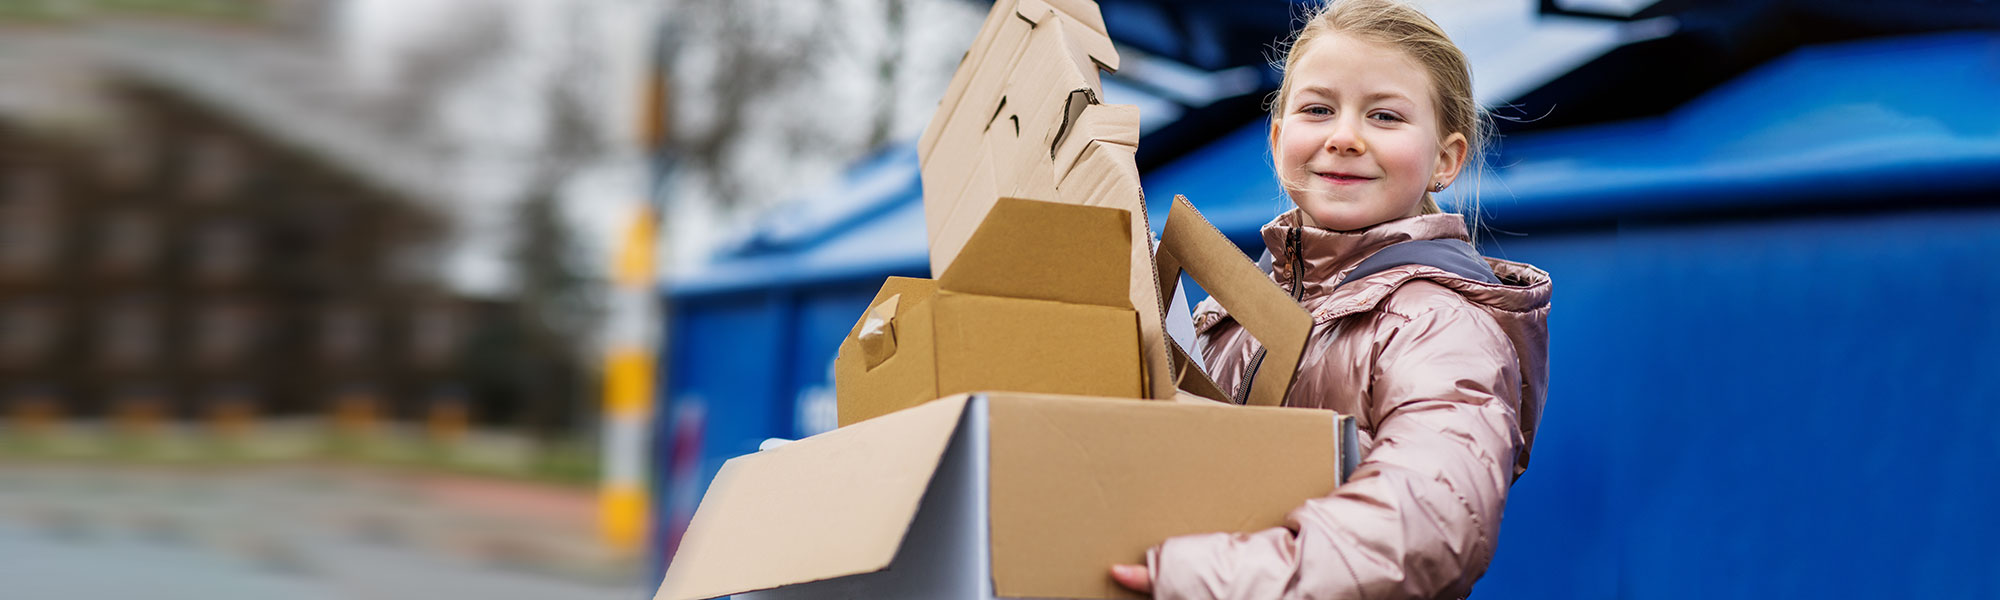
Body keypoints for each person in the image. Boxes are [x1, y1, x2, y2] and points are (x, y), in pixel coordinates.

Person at [1109, 0, 1553, 597]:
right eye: (1318, 109)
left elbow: (1423, 528)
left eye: (1385, 117)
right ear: (1277, 137)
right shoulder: (1236, 307)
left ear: (1446, 160)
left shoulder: (1440, 327)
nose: (1344, 137)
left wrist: (1202, 576)